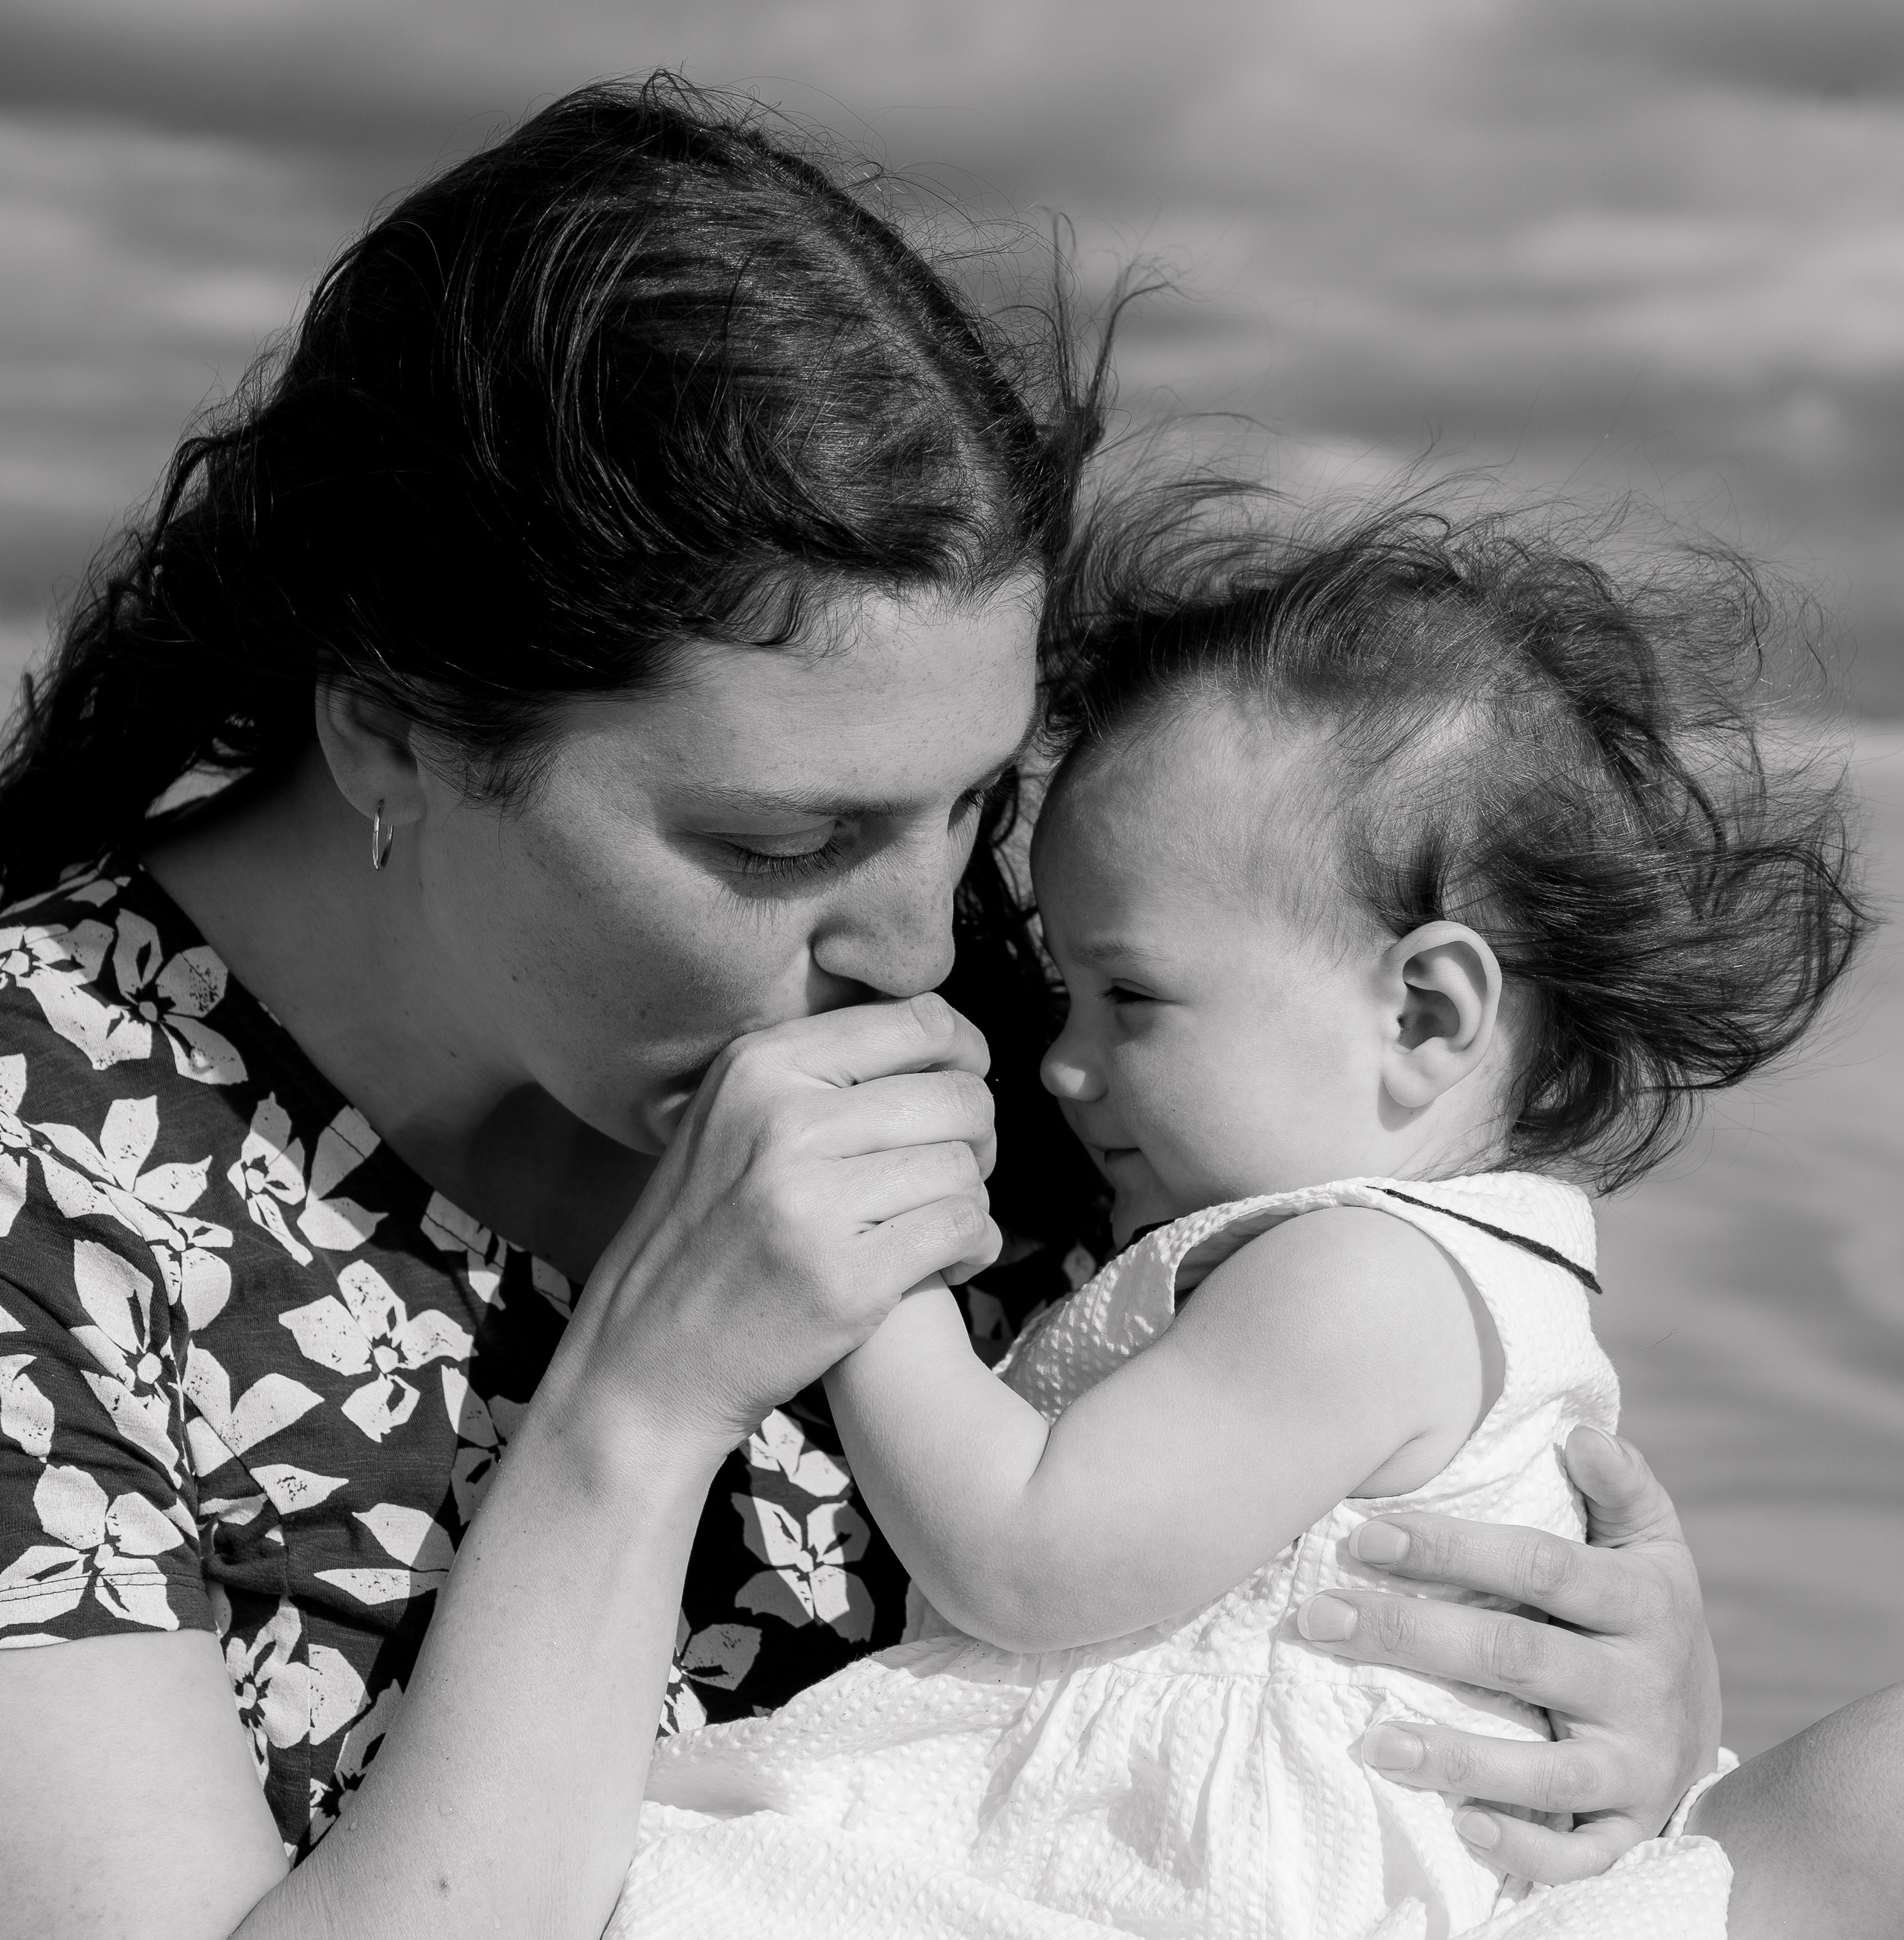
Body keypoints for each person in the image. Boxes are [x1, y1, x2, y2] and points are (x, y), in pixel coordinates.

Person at [0, 75, 1881, 1940]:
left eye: (970, 802)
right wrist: (635, 1418)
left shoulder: (1022, 1012)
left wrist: (1599, 1700)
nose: (917, 948)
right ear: (393, 726)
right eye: (781, 839)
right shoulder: (44, 1152)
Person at [601, 505, 1864, 1938]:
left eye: (1130, 998)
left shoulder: (1360, 1278)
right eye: (1066, 994)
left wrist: (865, 1258)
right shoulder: (1438, 1260)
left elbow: (1024, 1554)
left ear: (1425, 1013)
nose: (1065, 1064)